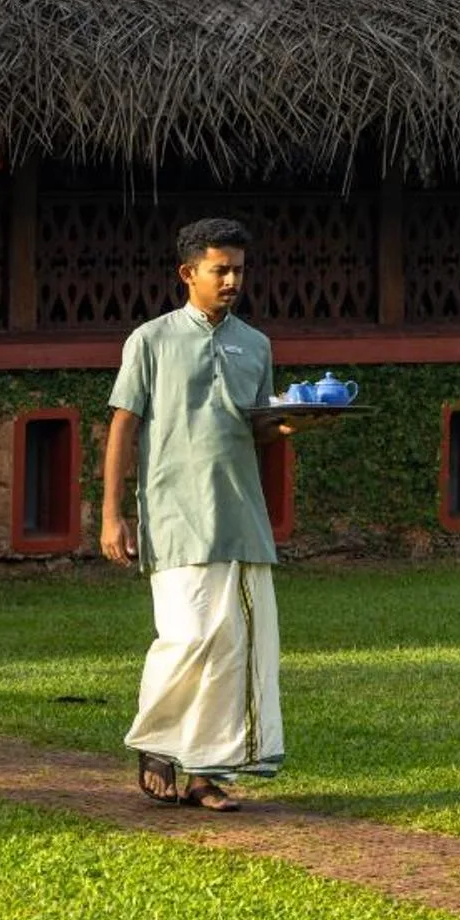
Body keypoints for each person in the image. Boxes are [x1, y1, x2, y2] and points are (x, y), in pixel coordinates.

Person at [101, 214, 285, 809]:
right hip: (175, 514)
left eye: (238, 270)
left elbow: (256, 429)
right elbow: (123, 427)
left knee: (233, 649)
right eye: (220, 270)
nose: (231, 281)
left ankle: (207, 773)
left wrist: (290, 424)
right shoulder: (150, 341)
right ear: (188, 273)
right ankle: (157, 740)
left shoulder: (255, 345)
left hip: (240, 517)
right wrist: (110, 514)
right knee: (184, 639)